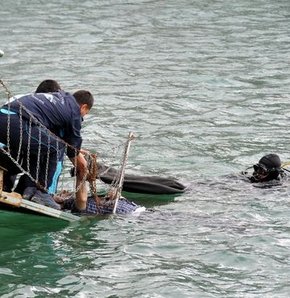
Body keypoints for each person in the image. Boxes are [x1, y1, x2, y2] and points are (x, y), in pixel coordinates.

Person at [0, 85, 94, 210]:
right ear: (84, 107)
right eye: (85, 114)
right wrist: (83, 166)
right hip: (15, 122)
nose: (82, 117)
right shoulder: (74, 112)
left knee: (40, 147)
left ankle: (26, 189)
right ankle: (44, 194)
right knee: (56, 146)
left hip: (4, 117)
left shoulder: (60, 99)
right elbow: (72, 149)